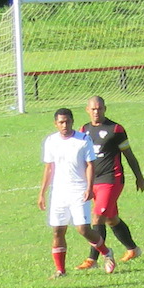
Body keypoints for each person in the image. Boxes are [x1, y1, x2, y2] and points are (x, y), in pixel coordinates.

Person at [36, 107, 110, 276]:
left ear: (72, 122)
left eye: (67, 122)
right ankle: (60, 270)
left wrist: (89, 188)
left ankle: (106, 253)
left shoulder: (83, 140)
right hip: (59, 193)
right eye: (61, 122)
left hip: (79, 190)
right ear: (55, 124)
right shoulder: (51, 141)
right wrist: (42, 193)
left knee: (83, 229)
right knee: (58, 230)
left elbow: (90, 164)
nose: (65, 125)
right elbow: (49, 168)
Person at [80, 94, 144, 267]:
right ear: (87, 110)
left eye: (99, 108)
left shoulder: (115, 129)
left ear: (105, 109)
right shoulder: (84, 130)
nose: (96, 112)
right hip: (93, 180)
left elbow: (129, 155)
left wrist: (139, 177)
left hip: (111, 179)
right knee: (111, 218)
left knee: (97, 217)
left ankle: (92, 259)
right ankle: (133, 249)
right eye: (93, 109)